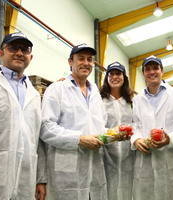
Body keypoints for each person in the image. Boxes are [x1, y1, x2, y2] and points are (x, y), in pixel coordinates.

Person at [40, 44, 107, 200]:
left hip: (94, 167)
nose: (86, 63)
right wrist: (79, 139)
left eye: (89, 59)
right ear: (70, 62)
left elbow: (99, 125)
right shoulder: (57, 89)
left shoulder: (95, 92)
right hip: (66, 170)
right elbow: (46, 127)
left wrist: (113, 135)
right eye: (81, 59)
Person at [130, 55, 173, 200]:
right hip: (146, 162)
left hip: (172, 159)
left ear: (162, 71)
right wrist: (136, 139)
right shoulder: (137, 100)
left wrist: (170, 139)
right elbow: (134, 125)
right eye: (147, 69)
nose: (152, 72)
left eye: (155, 68)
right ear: (143, 74)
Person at [0, 32, 45, 199]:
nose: (20, 53)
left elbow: (38, 139)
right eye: (13, 48)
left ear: (31, 56)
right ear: (0, 53)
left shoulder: (34, 94)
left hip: (26, 175)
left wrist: (40, 179)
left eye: (25, 49)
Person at [100, 62, 136, 200]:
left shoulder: (132, 101)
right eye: (111, 74)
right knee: (107, 192)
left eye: (118, 74)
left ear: (124, 77)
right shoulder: (99, 99)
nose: (115, 77)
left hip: (129, 156)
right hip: (106, 155)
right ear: (107, 77)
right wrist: (112, 134)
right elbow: (95, 126)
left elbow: (138, 124)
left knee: (127, 191)